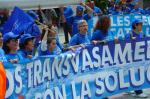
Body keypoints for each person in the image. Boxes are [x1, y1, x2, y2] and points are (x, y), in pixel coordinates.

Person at [125, 19, 148, 98]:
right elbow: (124, 45)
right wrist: (131, 41)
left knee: (138, 74)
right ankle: (138, 92)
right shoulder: (130, 34)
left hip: (140, 58)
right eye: (140, 24)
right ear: (135, 25)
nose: (142, 26)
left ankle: (132, 89)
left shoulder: (142, 34)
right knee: (135, 74)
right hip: (132, 58)